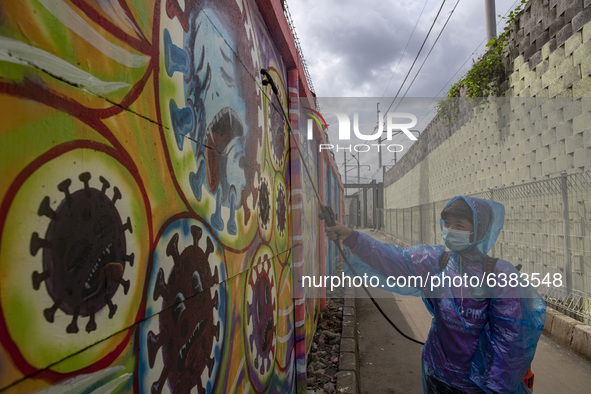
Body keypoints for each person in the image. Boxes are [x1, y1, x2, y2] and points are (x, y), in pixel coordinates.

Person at [325, 196, 546, 393]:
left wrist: (497, 388)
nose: (450, 230)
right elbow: (395, 260)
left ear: (479, 230)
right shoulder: (437, 262)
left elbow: (509, 341)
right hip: (437, 373)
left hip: (476, 385)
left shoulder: (498, 274)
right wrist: (353, 237)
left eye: (459, 225)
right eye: (447, 224)